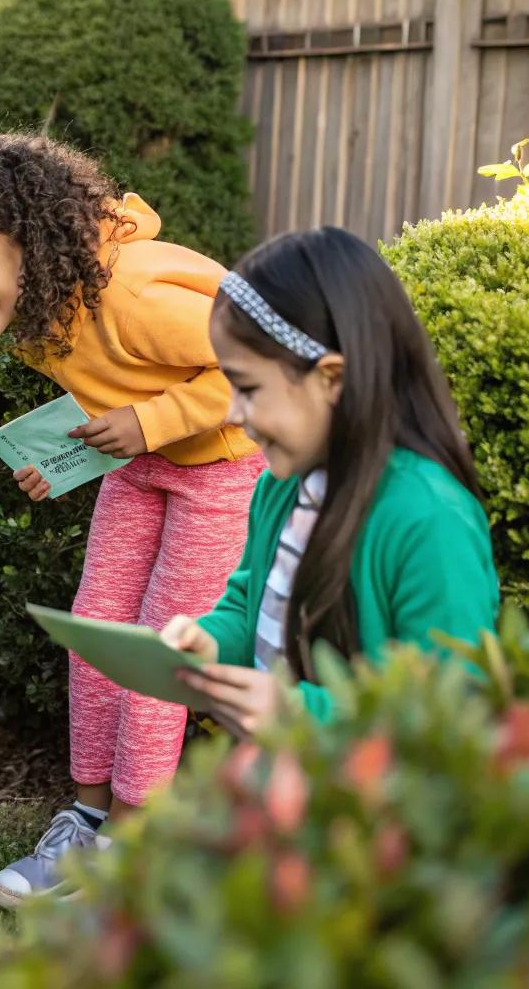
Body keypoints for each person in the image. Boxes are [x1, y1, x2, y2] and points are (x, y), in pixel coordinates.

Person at [0, 131, 264, 909]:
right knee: (96, 630)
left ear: (26, 242)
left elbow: (260, 367)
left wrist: (149, 423)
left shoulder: (132, 294)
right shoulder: (43, 310)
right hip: (144, 469)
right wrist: (67, 455)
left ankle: (130, 840)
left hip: (226, 471)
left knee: (157, 653)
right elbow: (113, 389)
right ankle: (89, 812)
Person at [161, 226, 499, 733]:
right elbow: (250, 601)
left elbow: (453, 713)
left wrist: (300, 715)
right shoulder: (279, 487)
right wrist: (208, 642)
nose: (233, 412)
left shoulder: (429, 520)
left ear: (332, 379)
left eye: (249, 387)